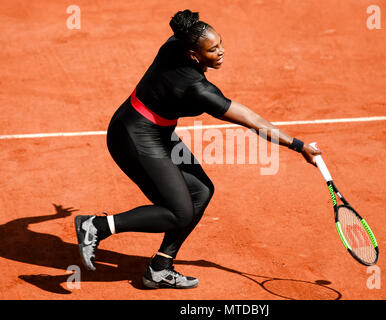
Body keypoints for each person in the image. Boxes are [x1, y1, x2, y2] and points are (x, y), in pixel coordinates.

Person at [75, 9, 321, 289]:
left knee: (200, 192)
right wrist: (298, 145)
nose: (221, 52)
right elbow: (252, 120)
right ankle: (95, 226)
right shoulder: (198, 89)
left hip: (155, 130)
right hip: (132, 137)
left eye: (221, 44)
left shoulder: (175, 43)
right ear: (194, 55)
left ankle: (160, 267)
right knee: (179, 212)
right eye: (213, 50)